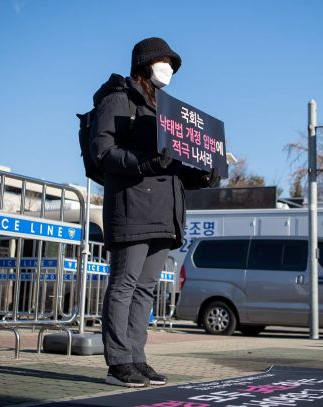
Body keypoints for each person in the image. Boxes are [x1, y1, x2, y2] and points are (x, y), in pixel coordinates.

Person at [90, 37, 218, 387]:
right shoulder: (119, 98)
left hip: (164, 211)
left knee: (145, 288)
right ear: (145, 64)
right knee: (124, 284)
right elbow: (104, 152)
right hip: (132, 207)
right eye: (165, 62)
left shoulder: (168, 109)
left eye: (173, 65)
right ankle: (118, 362)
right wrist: (146, 162)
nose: (170, 69)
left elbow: (172, 167)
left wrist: (204, 173)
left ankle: (136, 357)